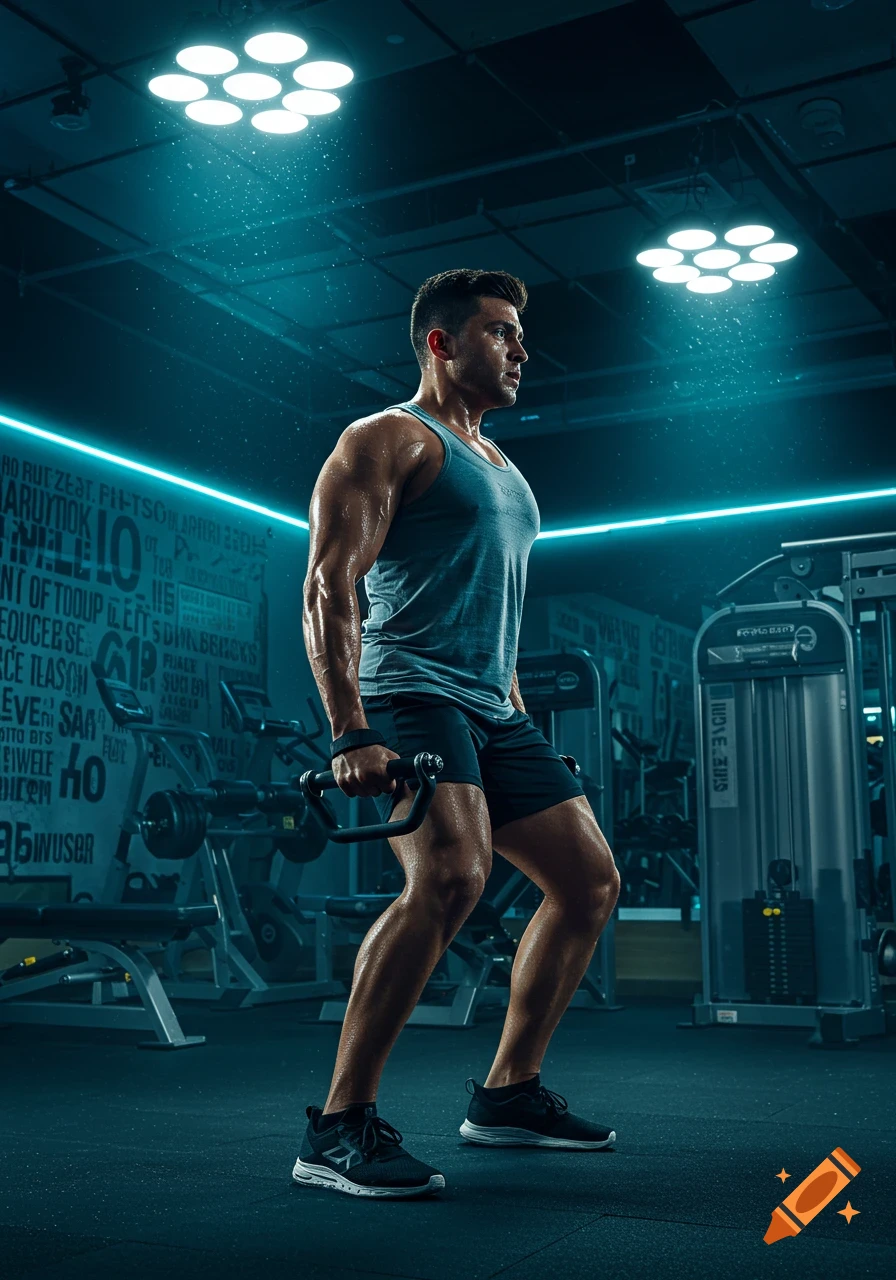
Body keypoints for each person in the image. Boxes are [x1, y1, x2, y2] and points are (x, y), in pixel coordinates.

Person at [296, 268, 620, 1199]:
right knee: (451, 876)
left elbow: (497, 610)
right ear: (441, 344)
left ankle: (508, 1096)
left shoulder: (506, 467)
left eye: (520, 335)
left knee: (589, 882)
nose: (521, 349)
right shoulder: (390, 437)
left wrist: (516, 714)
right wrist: (348, 727)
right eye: (500, 332)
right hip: (407, 692)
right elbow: (330, 584)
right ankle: (337, 1127)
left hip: (494, 707)